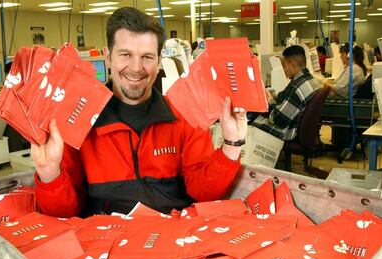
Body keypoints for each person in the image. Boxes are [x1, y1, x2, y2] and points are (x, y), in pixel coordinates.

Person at [32, 7, 247, 217]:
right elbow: (64, 214)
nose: (136, 68)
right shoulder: (78, 122)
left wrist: (231, 144)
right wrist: (49, 171)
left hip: (174, 240)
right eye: (125, 54)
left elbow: (203, 193)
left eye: (147, 57)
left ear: (159, 60)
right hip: (105, 244)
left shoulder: (184, 116)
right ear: (108, 56)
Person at [250, 45, 319, 141]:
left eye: (284, 65)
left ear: (292, 64)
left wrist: (267, 106)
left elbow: (279, 120)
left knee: (249, 123)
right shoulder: (310, 80)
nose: (284, 70)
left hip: (288, 132)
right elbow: (286, 97)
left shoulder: (296, 88)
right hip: (296, 126)